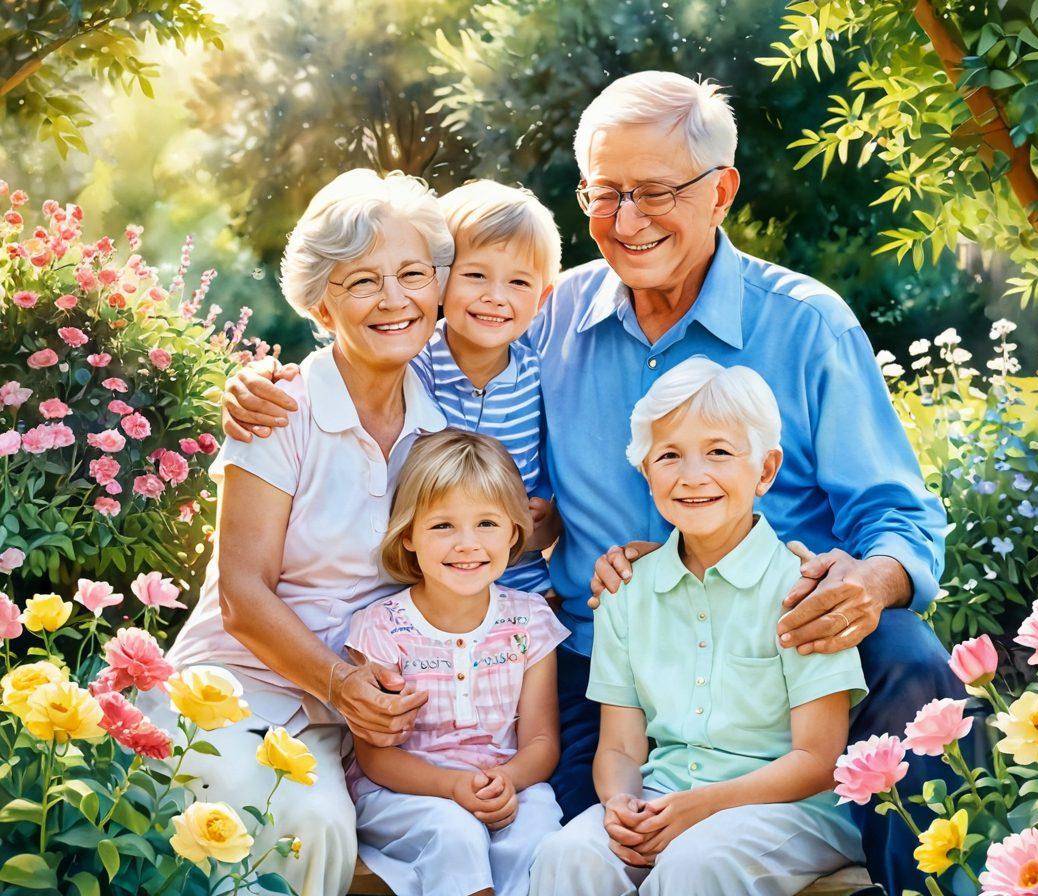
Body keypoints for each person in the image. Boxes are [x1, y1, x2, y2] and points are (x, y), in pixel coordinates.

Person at [220, 73, 962, 894]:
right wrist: (268, 381)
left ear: (721, 191)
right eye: (607, 194)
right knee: (566, 851)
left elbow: (896, 512)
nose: (629, 220)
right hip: (597, 655)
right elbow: (397, 328)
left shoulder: (805, 323)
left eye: (656, 192)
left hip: (777, 643)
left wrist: (874, 578)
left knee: (909, 659)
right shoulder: (548, 314)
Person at [151, 169, 456, 895]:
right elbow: (241, 596)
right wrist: (341, 683)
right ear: (322, 304)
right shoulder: (278, 412)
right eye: (362, 282)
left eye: (413, 274)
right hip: (228, 696)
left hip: (344, 723)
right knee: (303, 824)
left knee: (347, 825)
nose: (394, 299)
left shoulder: (439, 427)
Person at [530, 358, 867, 895]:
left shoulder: (803, 591)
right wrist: (619, 803)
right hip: (665, 794)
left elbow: (818, 759)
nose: (692, 476)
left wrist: (699, 806)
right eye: (669, 456)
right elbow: (619, 748)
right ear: (646, 472)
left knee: (693, 866)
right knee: (567, 854)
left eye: (719, 452)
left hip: (791, 808)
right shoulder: (625, 591)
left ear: (765, 470)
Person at [346, 429, 569, 896]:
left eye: (487, 524)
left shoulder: (529, 620)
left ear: (513, 532)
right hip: (405, 791)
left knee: (542, 834)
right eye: (443, 526)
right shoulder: (382, 627)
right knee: (456, 833)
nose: (467, 544)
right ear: (408, 535)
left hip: (508, 783)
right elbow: (375, 756)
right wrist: (452, 788)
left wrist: (506, 780)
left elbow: (543, 740)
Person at [410, 180, 564, 595]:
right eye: (476, 275)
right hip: (426, 587)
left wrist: (548, 516)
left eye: (518, 283)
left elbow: (548, 471)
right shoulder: (414, 366)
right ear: (440, 280)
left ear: (542, 298)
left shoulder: (538, 378)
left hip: (520, 584)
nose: (496, 297)